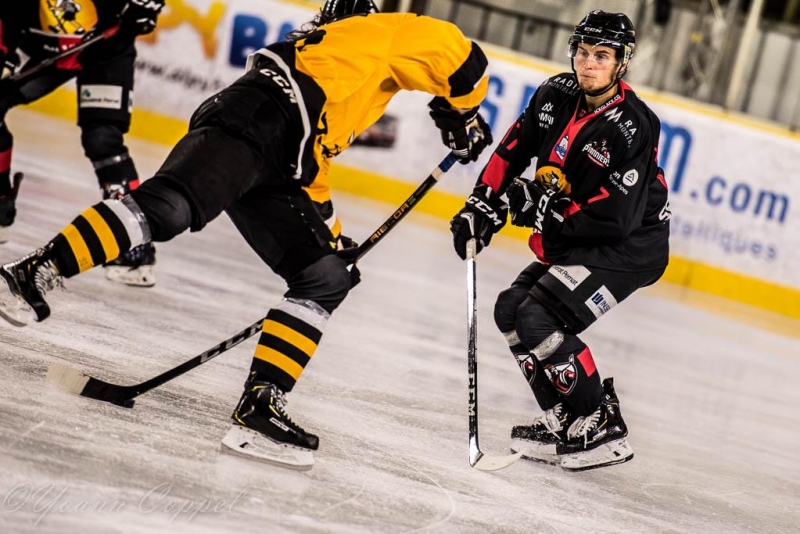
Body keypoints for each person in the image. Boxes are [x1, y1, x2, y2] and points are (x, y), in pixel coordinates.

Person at [0, 0, 493, 470]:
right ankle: (31, 273)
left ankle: (259, 407)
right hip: (257, 120)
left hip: (282, 153)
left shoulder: (338, 72)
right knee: (166, 209)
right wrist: (464, 116)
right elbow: (463, 56)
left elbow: (311, 169)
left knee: (324, 277)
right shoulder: (378, 32)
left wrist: (336, 240)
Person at [449, 10, 671, 471]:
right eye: (584, 53)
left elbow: (616, 216)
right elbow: (513, 148)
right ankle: (567, 418)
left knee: (538, 316)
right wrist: (481, 204)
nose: (588, 64)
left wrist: (537, 209)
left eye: (602, 56)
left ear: (621, 64)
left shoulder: (634, 124)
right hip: (579, 232)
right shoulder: (555, 93)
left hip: (629, 246)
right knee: (510, 309)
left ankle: (602, 422)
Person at [0, 0, 164, 286]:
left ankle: (133, 246)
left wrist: (145, 5)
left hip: (104, 47)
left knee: (104, 139)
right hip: (38, 43)